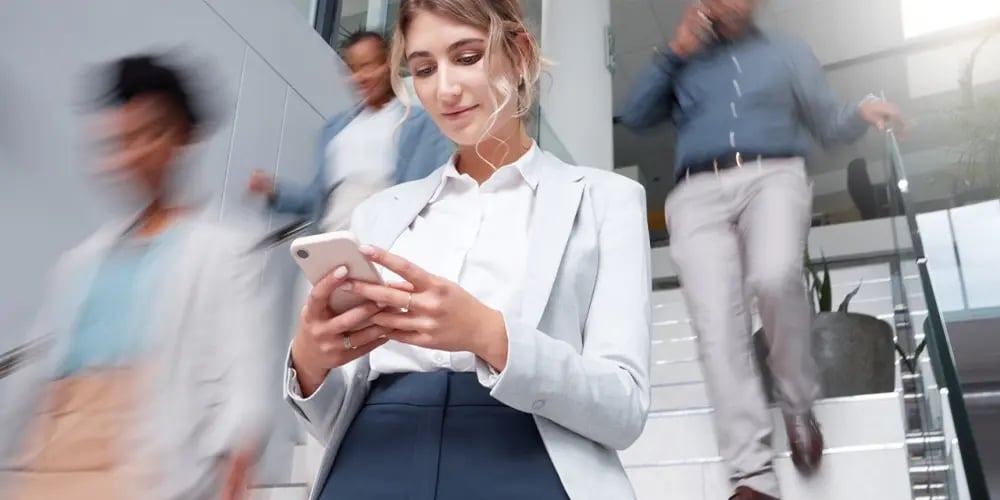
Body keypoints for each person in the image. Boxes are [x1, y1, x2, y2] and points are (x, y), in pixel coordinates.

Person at [283, 1, 653, 499]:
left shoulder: (607, 201)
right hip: (376, 454)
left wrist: (487, 335)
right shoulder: (379, 212)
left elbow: (624, 409)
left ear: (519, 54)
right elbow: (332, 417)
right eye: (424, 69)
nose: (445, 89)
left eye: (467, 56)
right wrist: (310, 361)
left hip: (525, 455)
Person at [617, 1, 905, 499]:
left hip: (773, 175)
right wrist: (673, 53)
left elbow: (826, 122)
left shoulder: (788, 52)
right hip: (696, 192)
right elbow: (637, 114)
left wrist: (860, 111)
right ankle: (752, 477)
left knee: (774, 278)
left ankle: (796, 402)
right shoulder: (683, 58)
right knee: (717, 330)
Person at [0, 54, 271, 500]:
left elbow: (246, 372)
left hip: (143, 459)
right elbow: (40, 378)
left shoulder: (226, 250)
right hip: (53, 452)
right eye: (120, 140)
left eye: (149, 134)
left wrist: (239, 449)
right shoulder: (80, 261)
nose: (131, 153)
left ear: (183, 138)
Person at [247, 30, 453, 232]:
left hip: (382, 245)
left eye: (368, 66)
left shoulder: (420, 124)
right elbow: (317, 199)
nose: (360, 77)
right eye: (352, 69)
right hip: (329, 242)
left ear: (389, 65)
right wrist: (274, 191)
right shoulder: (335, 130)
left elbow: (425, 194)